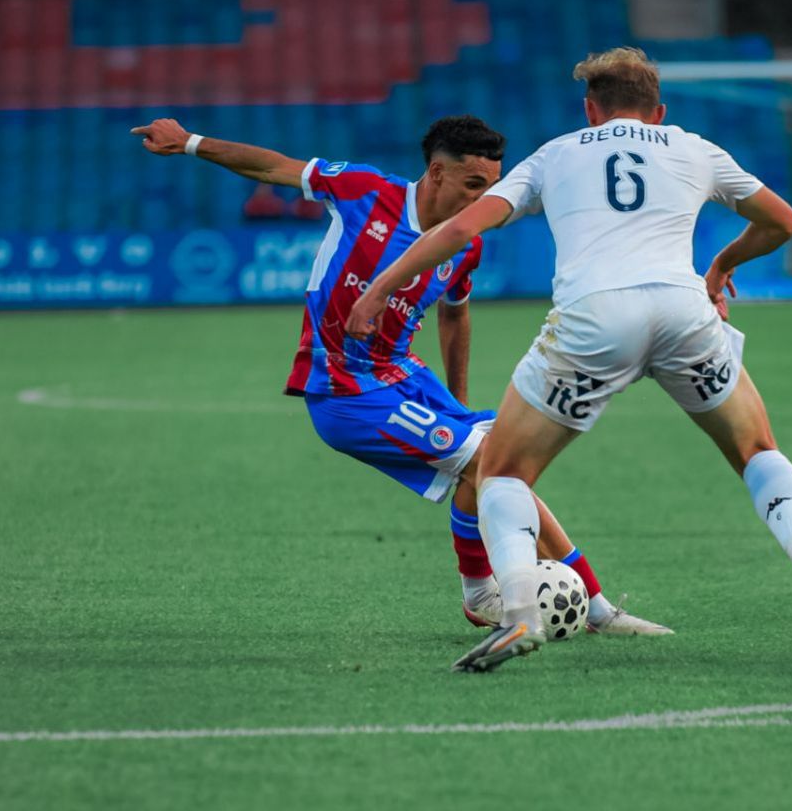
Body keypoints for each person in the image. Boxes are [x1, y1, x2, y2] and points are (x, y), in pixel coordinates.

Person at [350, 47, 792, 673]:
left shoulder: (557, 154)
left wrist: (381, 287)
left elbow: (464, 229)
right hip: (686, 315)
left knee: (502, 471)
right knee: (756, 449)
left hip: (594, 322)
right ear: (658, 110)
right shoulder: (693, 147)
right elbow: (783, 221)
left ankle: (521, 612)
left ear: (589, 110)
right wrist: (721, 268)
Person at [133, 113, 667, 636]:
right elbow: (274, 167)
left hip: (403, 377)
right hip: (342, 390)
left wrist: (457, 405)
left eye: (493, 187)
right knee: (491, 463)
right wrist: (188, 142)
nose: (485, 200)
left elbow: (455, 314)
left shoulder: (467, 242)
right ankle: (592, 608)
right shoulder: (364, 192)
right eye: (473, 184)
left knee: (491, 459)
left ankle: (483, 593)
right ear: (436, 173)